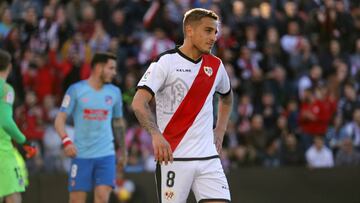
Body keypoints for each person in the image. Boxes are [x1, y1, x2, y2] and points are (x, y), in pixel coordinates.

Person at [132, 8, 233, 203]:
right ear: (189, 30)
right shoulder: (165, 62)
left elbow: (227, 98)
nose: (213, 37)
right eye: (207, 30)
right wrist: (156, 135)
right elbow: (138, 102)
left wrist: (220, 130)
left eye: (215, 32)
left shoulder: (216, 65)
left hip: (208, 159)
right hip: (173, 159)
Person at [54, 52, 127, 203]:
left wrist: (123, 150)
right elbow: (59, 120)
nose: (114, 73)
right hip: (81, 155)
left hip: (106, 154)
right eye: (111, 68)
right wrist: (66, 141)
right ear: (99, 68)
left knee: (102, 198)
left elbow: (118, 122)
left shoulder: (115, 92)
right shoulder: (75, 90)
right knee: (76, 200)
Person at [0, 49, 37, 203]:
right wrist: (24, 141)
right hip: (2, 151)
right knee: (13, 196)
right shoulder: (6, 88)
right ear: (9, 67)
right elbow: (5, 121)